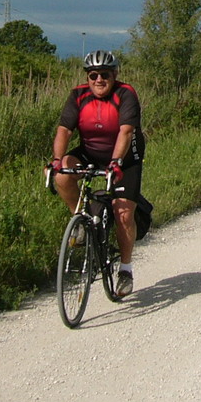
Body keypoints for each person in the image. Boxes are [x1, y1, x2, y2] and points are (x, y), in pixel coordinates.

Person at [50, 49, 145, 297]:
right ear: (87, 77)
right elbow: (64, 131)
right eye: (93, 75)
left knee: (123, 213)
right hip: (90, 152)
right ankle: (79, 221)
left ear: (114, 75)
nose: (99, 80)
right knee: (62, 175)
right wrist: (57, 161)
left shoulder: (126, 94)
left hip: (125, 158)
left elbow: (125, 132)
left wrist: (115, 163)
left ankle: (125, 269)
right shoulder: (78, 96)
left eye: (104, 74)